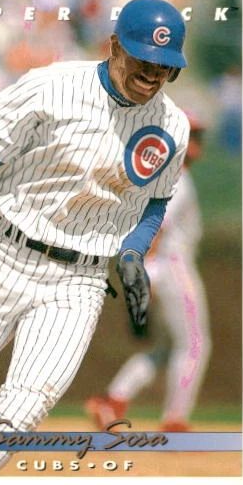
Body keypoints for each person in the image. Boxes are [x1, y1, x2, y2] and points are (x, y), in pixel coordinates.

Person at [0, 0, 190, 477]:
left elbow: (155, 202)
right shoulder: (51, 86)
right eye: (144, 58)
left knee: (23, 408)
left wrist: (132, 254)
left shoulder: (172, 126)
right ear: (114, 46)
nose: (153, 73)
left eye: (165, 65)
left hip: (80, 283)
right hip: (6, 258)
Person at [85, 112, 212, 432]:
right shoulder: (176, 178)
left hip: (165, 267)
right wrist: (148, 274)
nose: (197, 143)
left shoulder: (162, 175)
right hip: (173, 266)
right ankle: (175, 420)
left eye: (198, 136)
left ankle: (112, 400)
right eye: (192, 136)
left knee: (168, 348)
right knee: (195, 345)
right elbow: (155, 229)